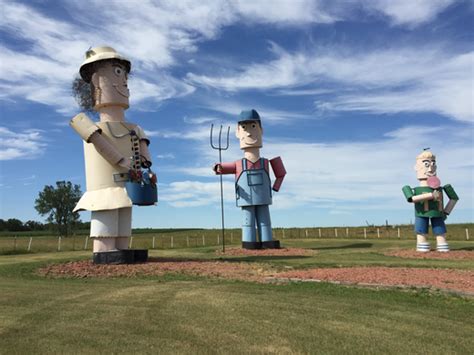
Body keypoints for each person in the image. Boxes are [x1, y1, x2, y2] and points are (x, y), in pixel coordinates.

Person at [70, 46, 155, 263]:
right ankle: (104, 251)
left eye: (124, 75)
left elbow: (144, 153)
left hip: (128, 185)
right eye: (117, 73)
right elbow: (101, 146)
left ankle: (122, 250)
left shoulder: (134, 127)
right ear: (97, 81)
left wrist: (144, 162)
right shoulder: (83, 123)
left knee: (124, 217)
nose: (125, 82)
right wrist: (121, 160)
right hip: (104, 187)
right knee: (105, 216)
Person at [214, 109, 286, 249]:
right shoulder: (239, 164)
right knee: (247, 220)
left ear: (261, 131)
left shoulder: (266, 162)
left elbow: (281, 173)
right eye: (244, 127)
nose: (248, 132)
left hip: (263, 197)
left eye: (253, 127)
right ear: (237, 133)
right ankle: (249, 242)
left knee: (265, 220)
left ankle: (267, 241)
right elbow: (222, 168)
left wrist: (276, 187)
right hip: (246, 198)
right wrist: (218, 167)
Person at [402, 150, 459, 252]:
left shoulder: (440, 188)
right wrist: (430, 195)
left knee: (439, 229)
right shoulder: (416, 189)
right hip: (421, 213)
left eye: (433, 164)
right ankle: (422, 244)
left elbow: (454, 198)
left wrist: (446, 211)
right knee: (421, 229)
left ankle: (441, 243)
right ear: (417, 167)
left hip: (437, 213)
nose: (430, 168)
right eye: (426, 164)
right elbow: (411, 199)